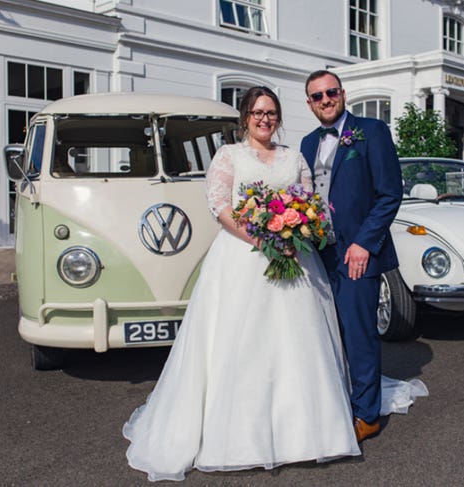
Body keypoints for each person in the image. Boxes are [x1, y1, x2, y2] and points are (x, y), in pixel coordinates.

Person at [123, 86, 361, 481]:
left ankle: (305, 435)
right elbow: (220, 207)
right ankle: (236, 438)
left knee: (296, 343)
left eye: (271, 113)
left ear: (279, 117)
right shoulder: (228, 156)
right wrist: (262, 241)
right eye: (257, 112)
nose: (264, 119)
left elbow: (309, 201)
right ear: (245, 117)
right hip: (242, 258)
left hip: (294, 257)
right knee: (241, 342)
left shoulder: (293, 157)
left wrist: (294, 231)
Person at [300, 70, 404, 442]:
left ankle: (366, 415)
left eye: (330, 92)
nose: (325, 100)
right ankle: (338, 400)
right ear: (309, 103)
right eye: (316, 96)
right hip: (318, 255)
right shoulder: (308, 142)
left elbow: (390, 193)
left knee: (359, 335)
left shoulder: (371, 132)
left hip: (358, 253)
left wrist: (364, 243)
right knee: (328, 333)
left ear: (343, 94)